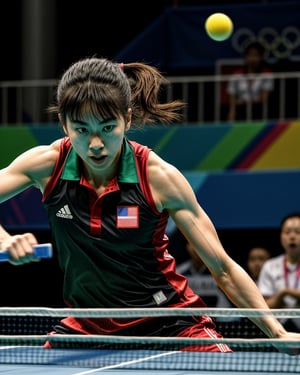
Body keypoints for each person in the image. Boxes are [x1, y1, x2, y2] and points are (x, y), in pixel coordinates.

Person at [0, 56, 298, 354]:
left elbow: (222, 268)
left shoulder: (158, 177)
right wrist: (5, 240)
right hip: (89, 325)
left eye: (107, 128)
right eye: (81, 130)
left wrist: (277, 333)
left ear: (127, 119)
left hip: (170, 322)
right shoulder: (47, 165)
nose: (95, 144)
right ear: (63, 124)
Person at [257, 212, 300, 332]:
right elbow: (263, 307)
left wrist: (286, 292)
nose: (292, 236)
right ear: (281, 236)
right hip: (278, 332)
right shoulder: (270, 266)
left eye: (298, 232)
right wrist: (280, 297)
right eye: (287, 232)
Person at [226, 41, 274, 122]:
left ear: (261, 57)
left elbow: (264, 97)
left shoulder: (267, 74)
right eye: (250, 55)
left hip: (258, 109)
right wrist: (232, 112)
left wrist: (246, 101)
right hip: (240, 109)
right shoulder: (236, 75)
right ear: (246, 56)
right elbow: (232, 97)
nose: (253, 59)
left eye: (256, 55)